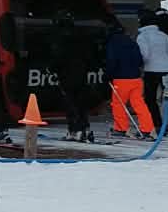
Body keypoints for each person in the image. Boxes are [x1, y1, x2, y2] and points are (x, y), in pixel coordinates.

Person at [50, 11, 96, 141]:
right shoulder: (81, 37)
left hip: (67, 75)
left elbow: (58, 58)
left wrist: (51, 68)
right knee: (81, 102)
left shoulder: (60, 38)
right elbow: (89, 55)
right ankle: (85, 127)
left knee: (70, 104)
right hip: (81, 74)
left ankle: (74, 130)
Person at [104, 19, 153, 137]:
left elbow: (111, 61)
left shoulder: (112, 43)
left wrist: (108, 74)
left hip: (121, 79)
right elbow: (140, 60)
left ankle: (121, 128)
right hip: (136, 78)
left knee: (118, 104)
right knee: (139, 104)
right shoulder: (132, 42)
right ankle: (147, 128)